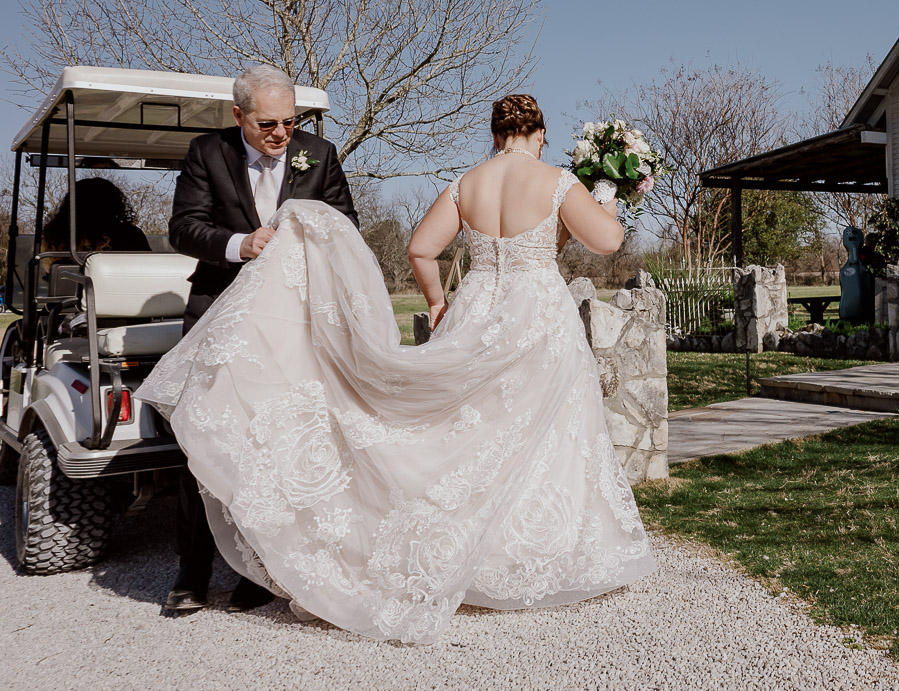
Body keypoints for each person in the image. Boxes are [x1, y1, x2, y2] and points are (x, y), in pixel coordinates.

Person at [141, 93, 655, 644]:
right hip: (537, 316)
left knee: (470, 436)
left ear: (494, 133)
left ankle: (459, 547)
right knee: (550, 432)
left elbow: (419, 249)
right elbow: (608, 240)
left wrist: (437, 304)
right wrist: (607, 193)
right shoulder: (557, 182)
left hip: (477, 309)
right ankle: (532, 553)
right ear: (541, 135)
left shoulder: (466, 184)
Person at [162, 64, 358, 617]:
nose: (281, 135)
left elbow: (345, 224)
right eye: (267, 123)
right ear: (239, 115)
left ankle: (259, 568)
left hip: (290, 322)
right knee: (206, 438)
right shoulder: (208, 153)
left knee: (278, 441)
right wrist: (240, 244)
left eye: (290, 123)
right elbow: (184, 226)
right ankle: (191, 573)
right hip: (219, 310)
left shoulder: (318, 154)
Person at [38, 177, 151, 269]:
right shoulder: (130, 235)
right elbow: (148, 268)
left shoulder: (59, 236)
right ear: (114, 205)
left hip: (69, 296)